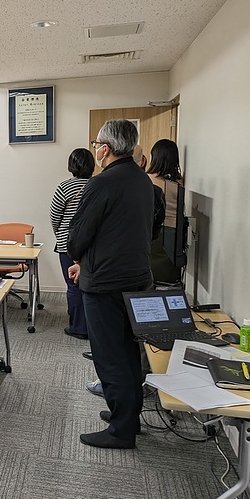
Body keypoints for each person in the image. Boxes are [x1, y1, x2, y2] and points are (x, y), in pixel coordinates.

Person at [68, 120, 163, 449]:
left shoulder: (101, 184)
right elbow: (152, 230)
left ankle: (121, 431)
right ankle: (127, 417)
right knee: (129, 352)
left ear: (105, 149)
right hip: (138, 279)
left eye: (96, 144)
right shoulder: (144, 181)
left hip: (105, 283)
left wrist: (80, 258)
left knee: (110, 356)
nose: (95, 149)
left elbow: (78, 236)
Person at [50, 148, 94, 341]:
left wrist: (60, 234)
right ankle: (91, 326)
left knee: (73, 285)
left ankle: (77, 326)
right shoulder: (97, 185)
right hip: (91, 244)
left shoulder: (64, 187)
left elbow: (55, 216)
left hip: (67, 244)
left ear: (71, 165)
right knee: (90, 285)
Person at [147, 138, 184, 284]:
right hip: (176, 232)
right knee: (170, 274)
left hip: (155, 230)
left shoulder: (148, 179)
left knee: (153, 274)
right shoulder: (180, 181)